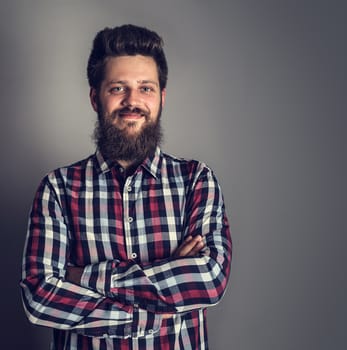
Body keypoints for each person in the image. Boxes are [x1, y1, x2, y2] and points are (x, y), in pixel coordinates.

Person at [20, 24, 232, 350]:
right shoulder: (58, 189)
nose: (133, 101)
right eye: (118, 88)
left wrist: (80, 277)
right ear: (95, 97)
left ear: (161, 97)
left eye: (145, 88)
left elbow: (209, 280)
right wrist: (161, 290)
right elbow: (39, 295)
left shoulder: (196, 181)